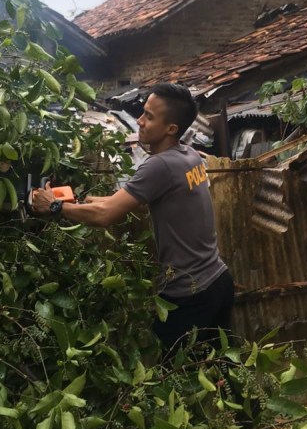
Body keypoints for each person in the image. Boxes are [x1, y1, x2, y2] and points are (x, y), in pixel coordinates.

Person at [31, 83, 234, 350]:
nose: (139, 121)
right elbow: (134, 199)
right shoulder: (190, 156)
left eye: (149, 116)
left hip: (190, 293)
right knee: (220, 373)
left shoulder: (159, 165)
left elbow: (105, 216)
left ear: (171, 128)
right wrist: (86, 202)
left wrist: (55, 207)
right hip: (218, 281)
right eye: (142, 112)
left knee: (173, 381)